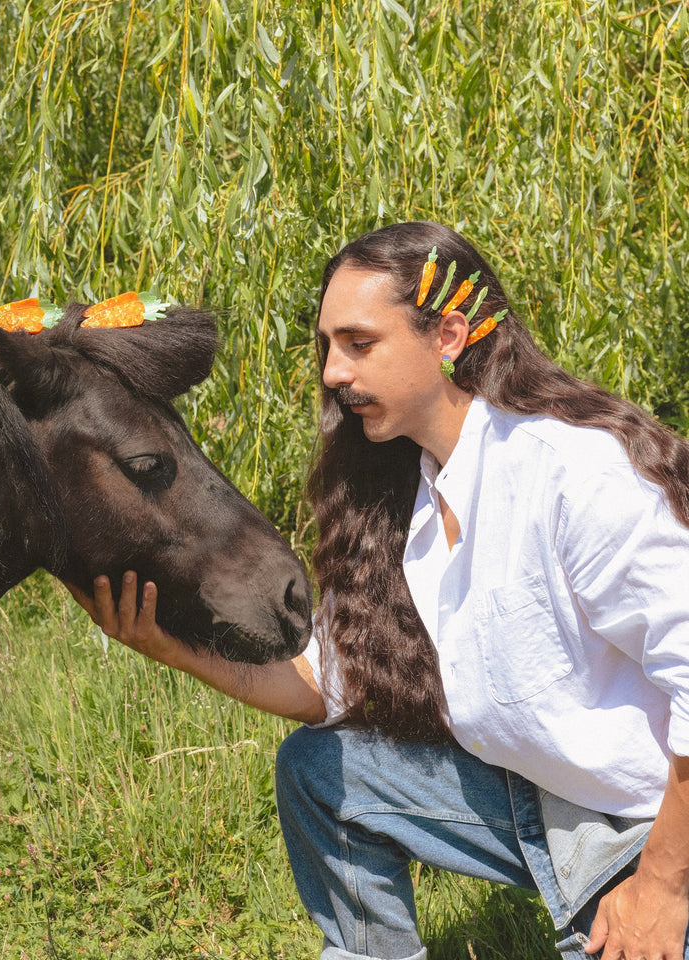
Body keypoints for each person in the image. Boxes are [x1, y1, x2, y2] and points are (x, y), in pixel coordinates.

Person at [69, 221, 689, 960]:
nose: (332, 371)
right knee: (322, 769)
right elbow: (322, 681)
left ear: (448, 335)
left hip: (656, 829)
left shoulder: (570, 475)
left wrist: (660, 890)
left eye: (359, 344)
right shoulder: (408, 497)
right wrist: (167, 646)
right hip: (535, 803)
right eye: (328, 345)